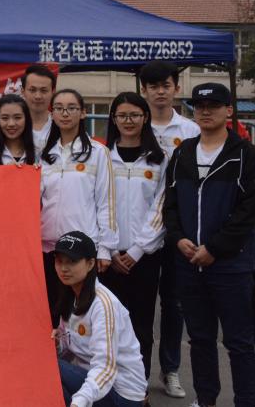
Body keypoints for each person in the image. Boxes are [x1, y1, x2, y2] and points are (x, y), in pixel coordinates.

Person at [162, 83, 255, 407]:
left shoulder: (246, 154)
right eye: (200, 106)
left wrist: (215, 248)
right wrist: (179, 239)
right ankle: (205, 399)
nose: (205, 111)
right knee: (200, 339)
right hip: (189, 263)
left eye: (214, 105)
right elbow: (170, 206)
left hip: (231, 265)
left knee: (239, 341)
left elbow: (248, 212)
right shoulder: (182, 153)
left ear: (228, 111)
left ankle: (246, 401)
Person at [138, 60, 197, 399]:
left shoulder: (189, 130)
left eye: (166, 85)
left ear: (176, 87)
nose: (160, 92)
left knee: (174, 304)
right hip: (139, 232)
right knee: (142, 305)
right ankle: (139, 371)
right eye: (153, 86)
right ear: (143, 90)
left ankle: (170, 368)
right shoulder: (135, 124)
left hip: (177, 230)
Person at [99, 92, 167, 382]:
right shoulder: (102, 156)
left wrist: (138, 250)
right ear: (113, 119)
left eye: (135, 115)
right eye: (122, 115)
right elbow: (98, 203)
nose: (128, 121)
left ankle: (139, 387)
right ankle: (108, 384)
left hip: (144, 257)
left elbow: (161, 206)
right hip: (107, 257)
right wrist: (111, 250)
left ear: (145, 118)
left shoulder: (159, 159)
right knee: (109, 324)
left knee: (141, 326)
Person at [40, 89, 118, 325]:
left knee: (79, 317)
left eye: (72, 108)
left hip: (81, 249)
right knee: (49, 314)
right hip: (48, 248)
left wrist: (105, 249)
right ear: (52, 114)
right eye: (59, 108)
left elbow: (106, 203)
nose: (65, 114)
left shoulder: (98, 152)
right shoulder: (44, 155)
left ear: (83, 113)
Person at [52, 231, 149, 407]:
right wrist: (58, 344)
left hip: (122, 392)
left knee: (49, 368)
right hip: (93, 381)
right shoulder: (69, 296)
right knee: (45, 365)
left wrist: (78, 402)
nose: (64, 268)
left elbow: (105, 368)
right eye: (59, 261)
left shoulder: (103, 304)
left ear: (90, 264)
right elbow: (71, 351)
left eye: (72, 261)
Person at [0, 93, 38, 166]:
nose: (11, 124)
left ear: (26, 119)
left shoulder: (39, 152)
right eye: (5, 118)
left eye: (17, 117)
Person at [22, 63, 57, 152]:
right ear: (23, 92)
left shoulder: (61, 124)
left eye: (44, 90)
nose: (38, 96)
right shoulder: (12, 125)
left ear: (53, 92)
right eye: (32, 90)